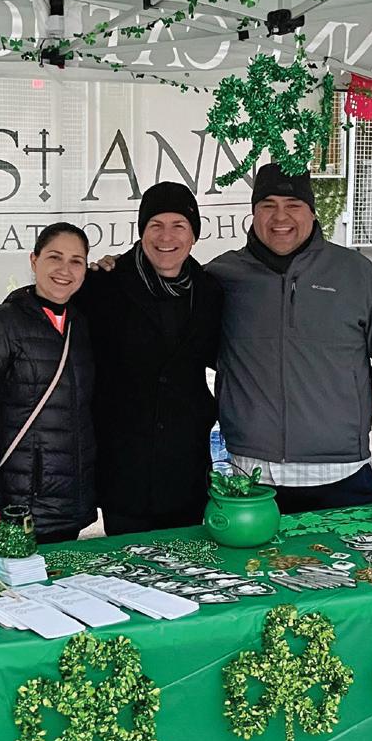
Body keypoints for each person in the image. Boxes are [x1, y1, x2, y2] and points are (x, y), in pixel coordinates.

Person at [206, 163, 372, 514]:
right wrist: (116, 268)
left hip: (341, 473)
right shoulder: (222, 276)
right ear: (254, 213)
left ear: (311, 211)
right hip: (251, 473)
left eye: (293, 205)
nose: (280, 217)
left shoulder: (354, 272)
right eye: (268, 205)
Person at [77, 181, 222, 534]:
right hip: (124, 468)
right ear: (142, 231)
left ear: (193, 235)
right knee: (128, 561)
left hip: (185, 466)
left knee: (187, 558)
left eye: (179, 225)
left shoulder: (209, 290)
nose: (166, 236)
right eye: (156, 225)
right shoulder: (104, 282)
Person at [0, 222, 96, 544]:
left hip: (69, 503)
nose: (65, 269)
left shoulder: (81, 325)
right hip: (19, 505)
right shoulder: (0, 324)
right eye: (54, 257)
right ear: (34, 260)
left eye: (76, 261)